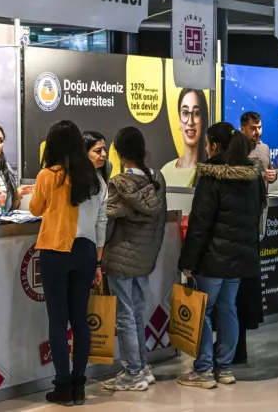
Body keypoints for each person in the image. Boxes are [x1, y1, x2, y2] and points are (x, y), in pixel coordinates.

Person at [177, 122, 266, 389]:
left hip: (212, 259)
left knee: (204, 311)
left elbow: (200, 224)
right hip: (239, 258)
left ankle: (203, 370)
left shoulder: (211, 176)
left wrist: (187, 262)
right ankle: (224, 368)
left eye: (207, 143)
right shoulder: (252, 176)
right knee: (228, 309)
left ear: (214, 145)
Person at [29, 120, 107, 406]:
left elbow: (36, 208)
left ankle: (62, 387)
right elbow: (102, 220)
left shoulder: (48, 175)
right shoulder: (96, 179)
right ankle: (79, 386)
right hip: (86, 253)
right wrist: (98, 260)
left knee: (58, 323)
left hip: (56, 252)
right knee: (80, 322)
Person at [101, 127, 167, 392]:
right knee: (136, 312)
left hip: (120, 257)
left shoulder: (118, 183)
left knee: (125, 315)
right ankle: (142, 366)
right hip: (145, 257)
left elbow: (106, 221)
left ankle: (132, 373)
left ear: (119, 152)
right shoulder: (157, 180)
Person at [162, 89, 209, 187]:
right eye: (185, 113)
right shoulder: (166, 172)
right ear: (179, 119)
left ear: (203, 119)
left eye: (196, 113)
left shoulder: (212, 171)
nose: (190, 122)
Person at [240, 111, 277, 186]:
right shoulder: (235, 149)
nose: (258, 132)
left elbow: (270, 172)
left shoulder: (265, 148)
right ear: (242, 129)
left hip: (263, 197)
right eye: (253, 128)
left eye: (259, 127)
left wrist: (273, 177)